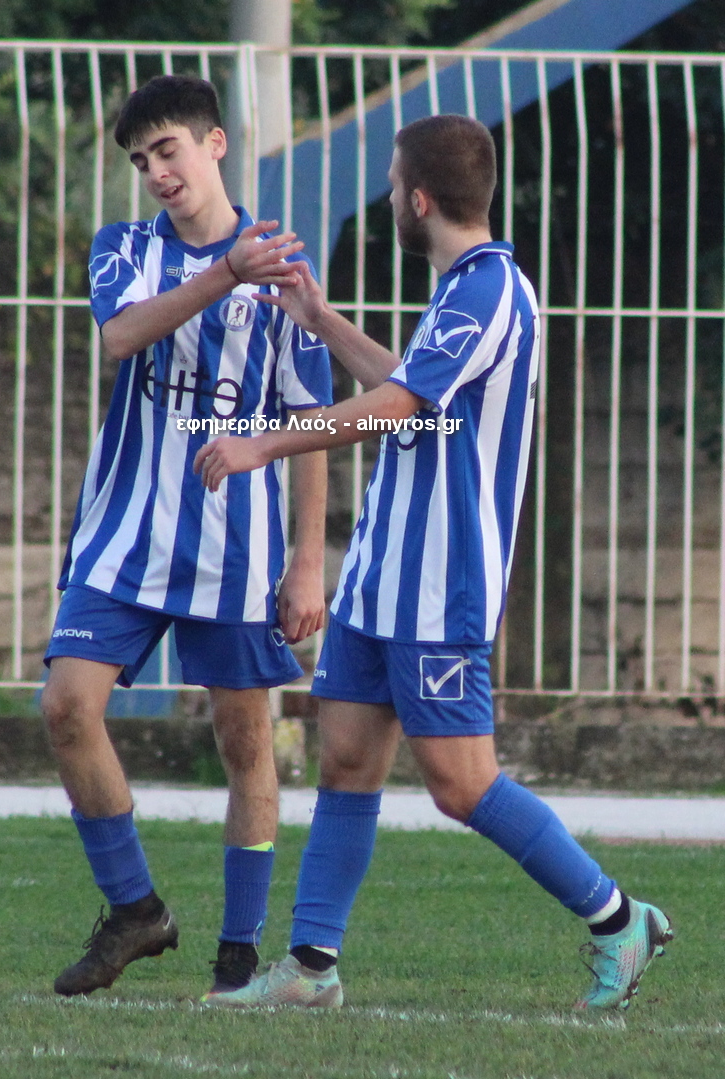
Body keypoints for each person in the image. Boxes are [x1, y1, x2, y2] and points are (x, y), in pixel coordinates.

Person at [193, 114, 673, 1011]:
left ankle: (618, 918)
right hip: (382, 580)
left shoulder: (491, 289)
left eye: (390, 185)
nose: (386, 200)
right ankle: (311, 967)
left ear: (419, 199)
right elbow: (409, 390)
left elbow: (399, 403)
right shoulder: (459, 290)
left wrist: (264, 443)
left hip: (440, 588)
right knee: (345, 762)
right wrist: (321, 319)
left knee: (461, 783)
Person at [41, 74, 332, 1000]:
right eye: (141, 160)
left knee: (246, 743)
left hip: (234, 553)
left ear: (214, 143)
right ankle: (136, 910)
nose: (157, 172)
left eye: (167, 149)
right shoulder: (126, 248)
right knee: (66, 707)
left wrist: (308, 558)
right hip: (123, 533)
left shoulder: (284, 267)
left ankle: (237, 959)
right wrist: (222, 275)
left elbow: (312, 419)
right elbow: (121, 337)